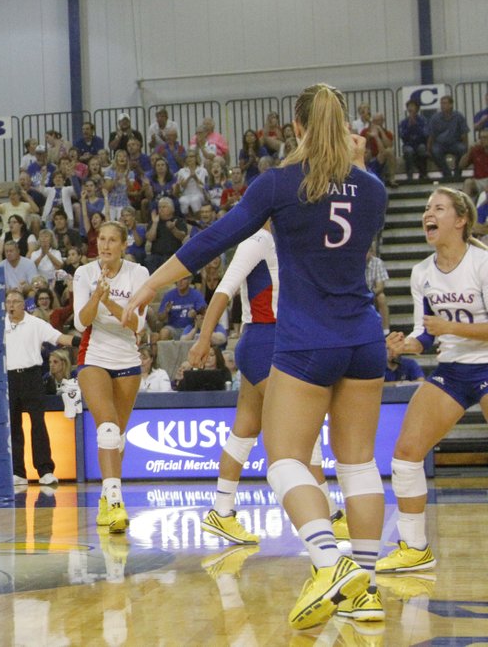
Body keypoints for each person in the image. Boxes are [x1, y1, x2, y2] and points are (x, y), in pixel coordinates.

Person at [124, 84, 387, 630]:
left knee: (285, 457)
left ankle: (329, 561)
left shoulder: (279, 183)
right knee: (359, 464)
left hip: (307, 339)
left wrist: (151, 283)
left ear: (295, 128)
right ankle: (366, 586)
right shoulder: (374, 189)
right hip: (364, 337)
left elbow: (214, 238)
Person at [188, 223, 348, 547]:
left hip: (277, 341)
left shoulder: (292, 239)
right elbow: (223, 290)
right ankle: (329, 515)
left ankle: (221, 511)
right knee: (303, 429)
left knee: (245, 429)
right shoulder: (258, 242)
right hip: (265, 341)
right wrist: (204, 339)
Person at [378, 187, 488, 575]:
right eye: (426, 208)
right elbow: (426, 333)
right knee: (406, 454)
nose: (429, 213)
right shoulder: (421, 272)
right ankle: (415, 548)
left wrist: (450, 326)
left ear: (460, 220)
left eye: (438, 208)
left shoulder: (482, 263)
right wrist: (404, 344)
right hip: (453, 369)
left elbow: (449, 326)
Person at [73, 220, 149, 532]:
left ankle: (108, 496)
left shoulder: (139, 274)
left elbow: (137, 326)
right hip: (93, 357)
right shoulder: (84, 273)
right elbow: (81, 323)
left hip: (127, 358)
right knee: (106, 428)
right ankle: (116, 500)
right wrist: (95, 297)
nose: (105, 245)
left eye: (112, 240)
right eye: (101, 239)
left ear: (123, 245)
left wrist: (108, 300)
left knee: (116, 437)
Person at [5, 288, 77, 488]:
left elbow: (59, 338)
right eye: (8, 301)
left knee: (38, 424)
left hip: (31, 376)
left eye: (16, 301)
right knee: (14, 426)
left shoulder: (35, 323)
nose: (11, 305)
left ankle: (45, 471)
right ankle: (18, 472)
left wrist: (81, 340)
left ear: (23, 304)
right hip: (9, 378)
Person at [427, 95, 469, 182]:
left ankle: (457, 173)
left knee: (462, 149)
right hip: (440, 144)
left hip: (455, 143)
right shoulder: (435, 118)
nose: (442, 105)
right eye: (441, 103)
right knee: (435, 151)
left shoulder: (458, 116)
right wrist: (429, 148)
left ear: (451, 105)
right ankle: (447, 174)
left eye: (445, 103)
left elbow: (464, 133)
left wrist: (466, 147)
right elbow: (431, 135)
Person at [399, 99, 429, 182]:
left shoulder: (423, 121)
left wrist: (415, 125)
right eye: (409, 106)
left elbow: (425, 134)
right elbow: (402, 136)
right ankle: (409, 175)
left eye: (412, 106)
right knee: (408, 151)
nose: (410, 108)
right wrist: (409, 126)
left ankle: (423, 174)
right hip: (408, 144)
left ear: (417, 108)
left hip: (420, 143)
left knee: (422, 148)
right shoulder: (403, 122)